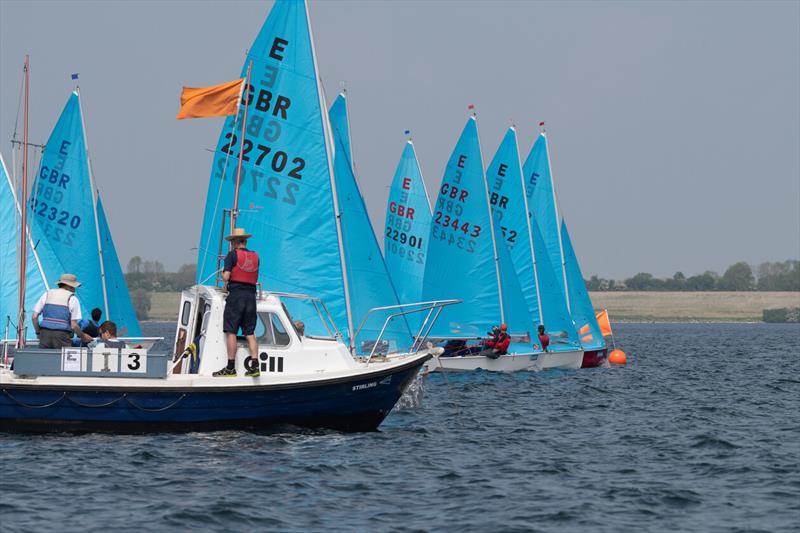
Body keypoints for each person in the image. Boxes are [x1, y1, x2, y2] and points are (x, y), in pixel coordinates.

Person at [214, 228, 260, 377]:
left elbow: (226, 277)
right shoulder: (255, 256)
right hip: (251, 297)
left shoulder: (232, 255)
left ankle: (230, 367)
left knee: (231, 331)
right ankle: (254, 366)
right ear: (245, 241)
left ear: (234, 242)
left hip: (236, 296)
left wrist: (222, 273)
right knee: (250, 332)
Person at [31, 274, 93, 349]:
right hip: (62, 336)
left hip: (45, 334)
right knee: (62, 359)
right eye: (73, 287)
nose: (74, 289)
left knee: (45, 359)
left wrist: (38, 333)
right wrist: (83, 336)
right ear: (68, 286)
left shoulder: (47, 294)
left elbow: (34, 317)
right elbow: (74, 325)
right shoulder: (72, 299)